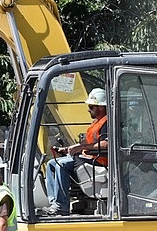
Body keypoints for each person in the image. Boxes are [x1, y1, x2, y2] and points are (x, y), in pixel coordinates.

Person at [42, 87, 108, 216]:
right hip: (88, 157)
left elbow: (106, 143)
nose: (88, 109)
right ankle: (54, 202)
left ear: (100, 107)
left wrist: (81, 148)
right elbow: (88, 142)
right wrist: (68, 149)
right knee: (51, 164)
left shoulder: (107, 123)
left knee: (62, 165)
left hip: (99, 160)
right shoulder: (97, 122)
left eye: (91, 106)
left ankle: (62, 206)